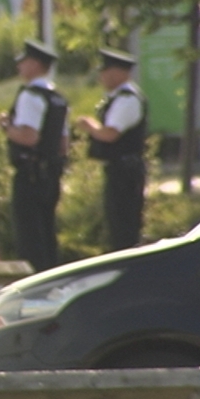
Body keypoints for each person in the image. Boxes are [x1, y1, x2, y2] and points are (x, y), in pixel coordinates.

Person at [0, 39, 70, 272]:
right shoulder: (57, 98)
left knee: (30, 240)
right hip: (51, 175)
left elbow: (29, 136)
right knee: (48, 235)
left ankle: (35, 294)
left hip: (30, 174)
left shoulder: (30, 95)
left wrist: (6, 127)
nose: (19, 67)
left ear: (35, 64)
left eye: (23, 62)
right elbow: (63, 143)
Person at [76, 47, 147, 251]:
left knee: (123, 227)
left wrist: (89, 126)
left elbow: (110, 133)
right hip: (119, 169)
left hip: (125, 170)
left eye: (104, 71)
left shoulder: (127, 99)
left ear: (116, 72)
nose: (101, 76)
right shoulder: (119, 97)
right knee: (116, 224)